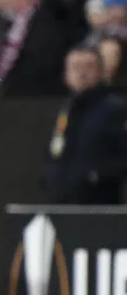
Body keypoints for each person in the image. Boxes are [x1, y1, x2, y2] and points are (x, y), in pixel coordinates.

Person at [43, 45, 127, 205]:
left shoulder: (115, 110)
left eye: (88, 67)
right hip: (62, 202)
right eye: (75, 67)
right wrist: (50, 175)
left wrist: (95, 174)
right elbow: (55, 149)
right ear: (66, 75)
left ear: (101, 72)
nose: (81, 73)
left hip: (99, 204)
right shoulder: (66, 109)